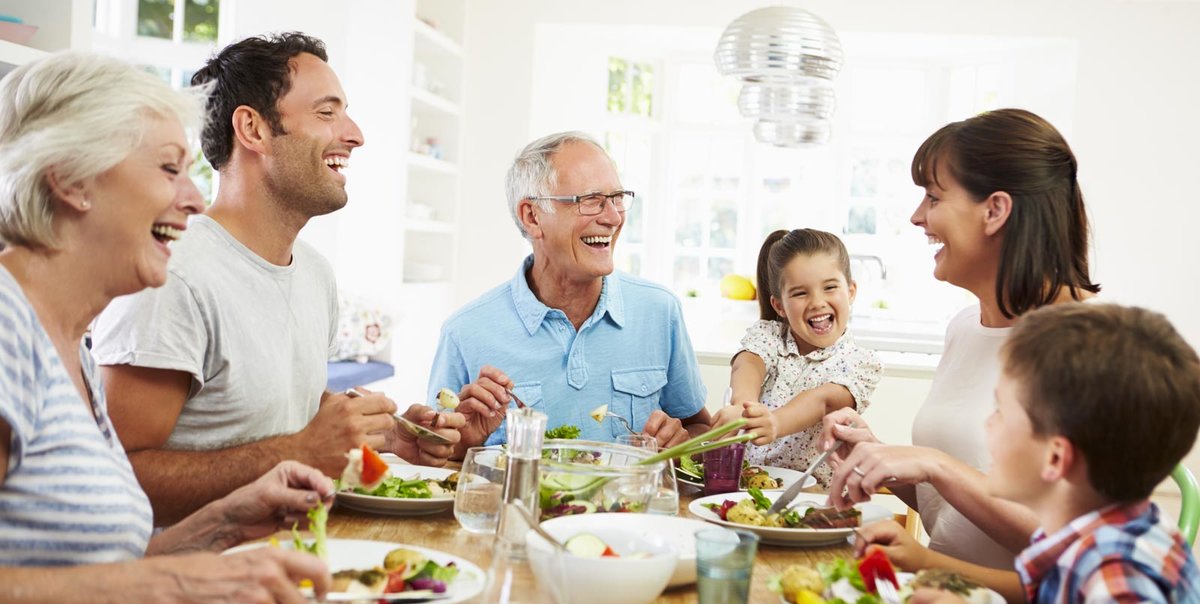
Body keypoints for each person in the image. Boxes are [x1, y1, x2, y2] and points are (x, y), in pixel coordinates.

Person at [0, 51, 335, 604]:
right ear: (71, 179)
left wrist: (219, 527)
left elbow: (87, 581)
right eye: (167, 169)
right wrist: (184, 588)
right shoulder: (5, 328)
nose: (194, 201)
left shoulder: (66, 345)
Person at [90, 32, 463, 525]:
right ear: (253, 129)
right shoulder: (172, 275)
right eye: (327, 113)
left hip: (293, 561)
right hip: (195, 582)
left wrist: (386, 437)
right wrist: (304, 449)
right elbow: (118, 478)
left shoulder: (315, 274)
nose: (354, 134)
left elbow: (277, 417)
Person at [854, 303, 1200, 604]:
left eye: (1000, 411)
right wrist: (927, 564)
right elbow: (1045, 599)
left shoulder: (1116, 558)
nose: (987, 424)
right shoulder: (1093, 533)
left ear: (1055, 459)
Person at [821, 109, 1100, 568]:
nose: (916, 217)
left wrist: (935, 464)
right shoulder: (966, 326)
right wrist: (880, 457)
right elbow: (953, 514)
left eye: (932, 197)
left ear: (994, 210)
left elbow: (1075, 556)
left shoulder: (1091, 346)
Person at [427, 131, 711, 456]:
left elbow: (700, 428)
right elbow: (434, 459)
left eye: (617, 197)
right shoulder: (465, 332)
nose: (613, 217)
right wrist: (462, 445)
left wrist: (684, 442)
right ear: (532, 216)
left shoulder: (660, 311)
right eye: (590, 200)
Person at [710, 229, 881, 486]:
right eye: (801, 293)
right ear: (779, 305)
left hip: (812, 499)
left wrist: (774, 423)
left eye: (830, 287)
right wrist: (744, 408)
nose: (817, 302)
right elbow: (748, 363)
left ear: (851, 291)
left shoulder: (860, 362)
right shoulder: (770, 335)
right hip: (747, 490)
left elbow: (823, 400)